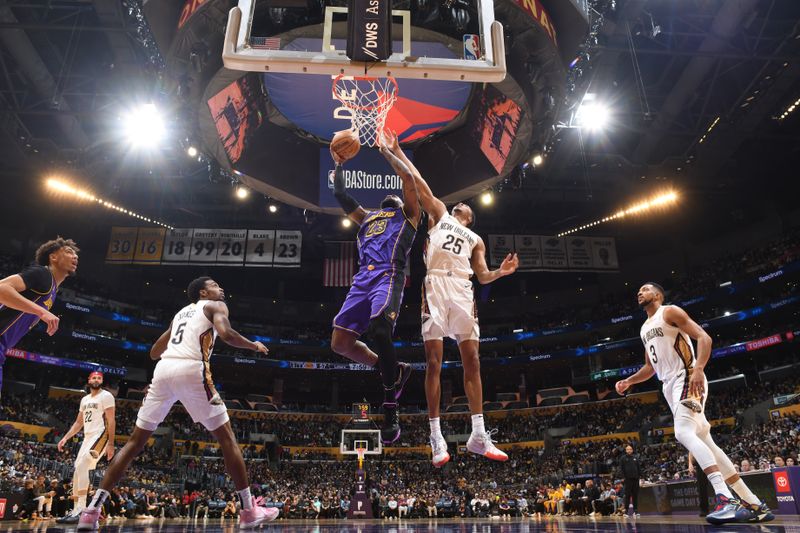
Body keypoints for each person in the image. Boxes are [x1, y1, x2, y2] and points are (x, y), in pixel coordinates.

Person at [76, 277, 279, 530]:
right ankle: (249, 510)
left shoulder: (181, 313)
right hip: (192, 369)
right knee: (227, 439)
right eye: (216, 285)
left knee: (134, 442)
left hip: (163, 370)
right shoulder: (215, 306)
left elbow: (153, 352)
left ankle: (92, 510)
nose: (221, 288)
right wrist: (253, 344)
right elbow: (227, 334)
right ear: (204, 292)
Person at [381, 131, 518, 466]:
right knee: (434, 363)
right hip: (436, 287)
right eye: (460, 204)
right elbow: (415, 180)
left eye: (465, 206)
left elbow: (483, 276)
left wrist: (501, 273)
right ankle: (436, 436)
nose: (461, 204)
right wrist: (396, 149)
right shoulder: (440, 213)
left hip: (462, 290)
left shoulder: (475, 239)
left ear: (470, 217)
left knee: (473, 361)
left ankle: (478, 434)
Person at [615, 282, 774, 524]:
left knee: (682, 432)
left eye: (645, 289)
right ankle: (754, 503)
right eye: (638, 290)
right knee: (709, 445)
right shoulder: (644, 327)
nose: (640, 292)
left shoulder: (669, 312)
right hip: (669, 386)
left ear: (658, 294)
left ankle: (724, 498)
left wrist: (699, 368)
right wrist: (629, 381)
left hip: (687, 377)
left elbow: (704, 337)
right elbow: (650, 367)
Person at [329, 138, 421, 443]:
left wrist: (387, 152)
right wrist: (339, 164)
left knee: (380, 331)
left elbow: (407, 179)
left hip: (388, 274)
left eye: (395, 194)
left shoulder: (408, 214)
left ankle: (390, 405)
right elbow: (340, 193)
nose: (391, 194)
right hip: (361, 280)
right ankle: (392, 369)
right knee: (340, 343)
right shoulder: (366, 217)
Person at [0, 237, 77, 399]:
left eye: (75, 254)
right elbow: (1, 288)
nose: (75, 256)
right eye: (69, 252)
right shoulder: (43, 274)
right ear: (53, 257)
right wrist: (42, 312)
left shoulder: (53, 290)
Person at [56, 372, 116, 523]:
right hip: (88, 437)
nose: (96, 380)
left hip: (101, 435)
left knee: (82, 465)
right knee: (77, 468)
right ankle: (76, 509)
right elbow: (78, 423)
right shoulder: (84, 399)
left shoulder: (107, 396)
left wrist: (110, 444)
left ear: (102, 381)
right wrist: (65, 437)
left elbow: (111, 420)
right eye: (94, 378)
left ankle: (82, 508)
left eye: (99, 378)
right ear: (89, 381)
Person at [618, 444, 641, 518]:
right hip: (627, 479)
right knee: (627, 495)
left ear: (632, 450)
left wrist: (641, 477)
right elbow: (621, 468)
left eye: (630, 449)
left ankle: (636, 511)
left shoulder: (635, 457)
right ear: (626, 450)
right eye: (628, 449)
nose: (629, 450)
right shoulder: (623, 458)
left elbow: (639, 468)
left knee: (635, 495)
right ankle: (626, 512)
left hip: (635, 479)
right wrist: (623, 477)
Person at [688, 451, 710, 517]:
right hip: (700, 462)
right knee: (701, 487)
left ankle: (724, 505)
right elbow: (691, 450)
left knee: (718, 482)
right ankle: (704, 509)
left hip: (711, 459)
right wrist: (690, 463)